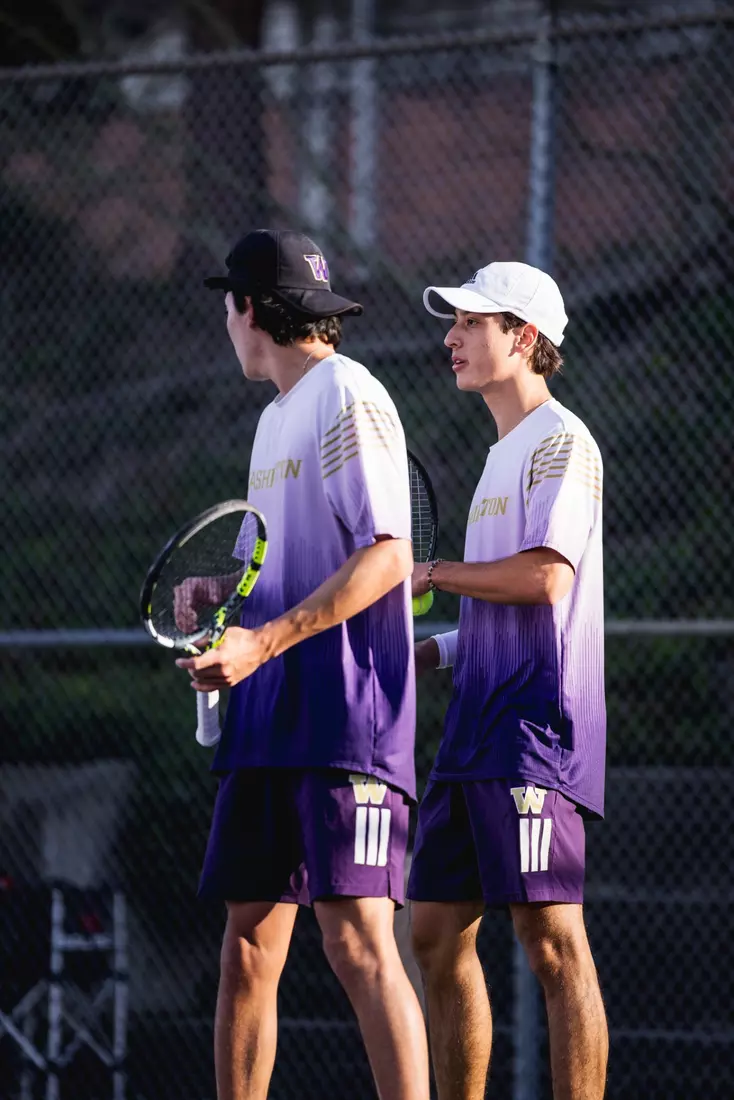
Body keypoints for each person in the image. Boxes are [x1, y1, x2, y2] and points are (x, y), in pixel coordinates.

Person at [176, 230, 429, 1100]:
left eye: (227, 304)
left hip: (343, 716)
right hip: (266, 719)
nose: (224, 320)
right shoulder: (275, 417)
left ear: (250, 310)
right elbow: (269, 568)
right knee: (247, 948)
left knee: (358, 942)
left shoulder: (346, 394)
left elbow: (389, 554)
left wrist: (265, 640)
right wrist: (221, 599)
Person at [408, 261, 608, 1100]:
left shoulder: (563, 440)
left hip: (536, 730)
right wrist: (432, 653)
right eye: (453, 323)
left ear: (524, 339)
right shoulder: (498, 461)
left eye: (471, 323)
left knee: (551, 939)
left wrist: (435, 573)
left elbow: (546, 583)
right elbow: (499, 607)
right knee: (433, 933)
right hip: (473, 731)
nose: (451, 338)